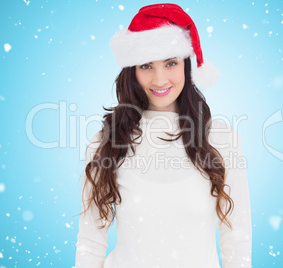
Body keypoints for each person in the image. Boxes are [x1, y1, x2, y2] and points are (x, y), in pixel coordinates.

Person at [75, 3, 252, 268]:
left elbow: (236, 237)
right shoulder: (107, 142)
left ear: (187, 66)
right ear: (132, 71)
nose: (159, 80)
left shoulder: (221, 138)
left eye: (170, 63)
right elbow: (91, 241)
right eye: (146, 66)